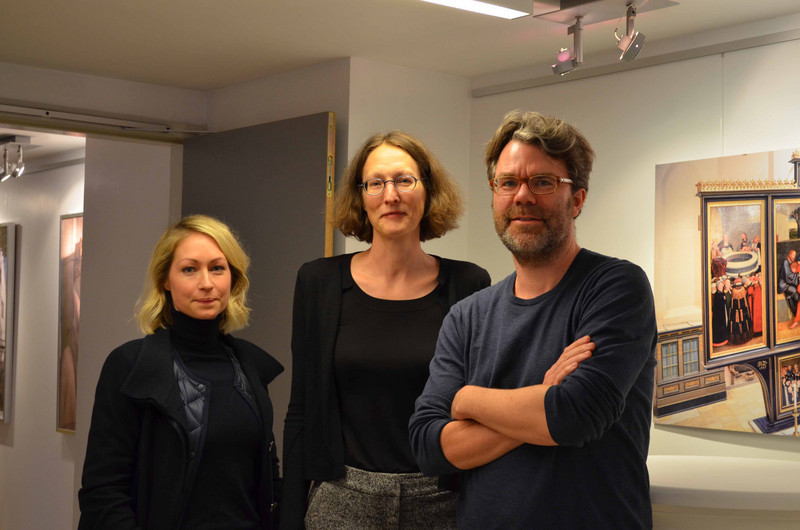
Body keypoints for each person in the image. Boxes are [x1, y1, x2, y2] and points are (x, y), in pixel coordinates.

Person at [410, 111, 657, 528]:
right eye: (508, 183)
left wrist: (468, 400)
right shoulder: (466, 317)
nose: (522, 196)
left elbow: (576, 415)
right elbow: (428, 446)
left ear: (577, 199)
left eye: (543, 182)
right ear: (494, 195)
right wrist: (541, 398)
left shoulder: (616, 287)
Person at [281, 131, 491, 529]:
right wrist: (291, 513)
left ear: (428, 191)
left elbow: (480, 405)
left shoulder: (468, 284)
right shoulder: (318, 282)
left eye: (404, 180)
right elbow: (301, 409)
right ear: (361, 197)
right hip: (342, 498)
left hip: (443, 497)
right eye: (375, 183)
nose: (390, 195)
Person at [78, 215, 283, 530]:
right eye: (189, 269)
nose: (206, 283)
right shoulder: (131, 366)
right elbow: (104, 491)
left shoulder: (250, 367)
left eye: (217, 268)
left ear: (233, 278)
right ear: (165, 279)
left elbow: (267, 474)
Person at [777, 249, 800, 328]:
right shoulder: (785, 262)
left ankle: (796, 315)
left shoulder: (791, 262)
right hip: (784, 284)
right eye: (793, 255)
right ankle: (795, 313)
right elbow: (788, 277)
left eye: (795, 255)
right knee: (795, 292)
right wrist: (797, 276)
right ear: (789, 254)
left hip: (789, 283)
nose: (794, 257)